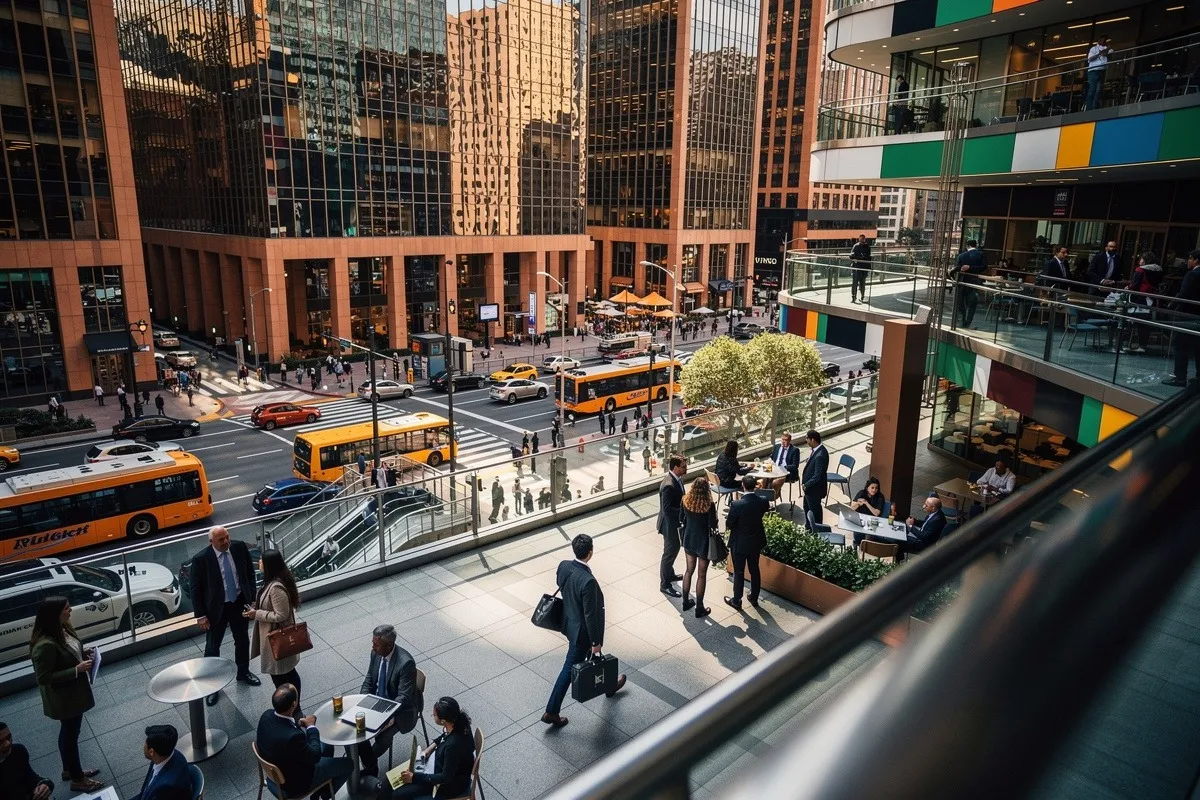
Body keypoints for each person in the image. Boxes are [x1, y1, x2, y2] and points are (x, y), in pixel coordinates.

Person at [542, 534, 626, 727]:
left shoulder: (564, 566)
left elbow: (560, 584)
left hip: (570, 624)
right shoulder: (587, 581)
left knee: (593, 660)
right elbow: (590, 615)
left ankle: (610, 685)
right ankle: (551, 711)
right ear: (590, 552)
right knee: (569, 668)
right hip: (582, 633)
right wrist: (596, 643)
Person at [29, 597, 103, 792]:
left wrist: (81, 653)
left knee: (69, 733)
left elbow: (68, 651)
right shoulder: (45, 645)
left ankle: (69, 769)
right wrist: (76, 670)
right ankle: (78, 779)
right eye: (66, 609)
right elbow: (43, 677)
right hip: (65, 699)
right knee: (70, 735)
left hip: (72, 694)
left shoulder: (64, 628)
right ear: (55, 614)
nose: (70, 611)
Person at [189, 526, 261, 707]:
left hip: (238, 603)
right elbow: (195, 589)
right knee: (213, 646)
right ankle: (212, 686)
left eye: (227, 537)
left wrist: (251, 598)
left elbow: (249, 575)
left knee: (243, 640)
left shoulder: (239, 547)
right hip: (216, 608)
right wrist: (201, 616)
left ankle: (243, 672)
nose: (226, 542)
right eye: (221, 540)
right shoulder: (201, 559)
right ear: (211, 541)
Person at [256, 684, 352, 798]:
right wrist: (311, 727)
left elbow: (282, 730)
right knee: (349, 764)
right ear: (294, 704)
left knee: (327, 747)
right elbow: (315, 756)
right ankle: (325, 795)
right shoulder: (293, 738)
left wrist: (297, 724)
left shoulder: (266, 715)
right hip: (296, 784)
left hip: (275, 773)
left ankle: (324, 786)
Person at [358, 624, 418, 779]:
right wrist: (362, 699)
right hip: (378, 701)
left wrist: (385, 714)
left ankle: (369, 765)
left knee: (383, 736)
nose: (373, 647)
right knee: (357, 729)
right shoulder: (375, 654)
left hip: (400, 710)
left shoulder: (406, 663)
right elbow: (369, 678)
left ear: (389, 645)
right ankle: (370, 764)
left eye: (376, 645)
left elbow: (403, 697)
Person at [244, 550, 304, 701]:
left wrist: (256, 613)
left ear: (269, 565)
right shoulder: (274, 582)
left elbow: (281, 615)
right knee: (285, 674)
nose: (259, 563)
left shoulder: (276, 587)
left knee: (283, 676)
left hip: (276, 639)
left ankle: (292, 705)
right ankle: (292, 705)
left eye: (262, 561)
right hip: (273, 637)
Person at [393, 698, 475, 799]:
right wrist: (429, 749)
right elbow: (444, 736)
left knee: (399, 795)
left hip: (449, 786)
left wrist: (414, 777)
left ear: (443, 721)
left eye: (434, 715)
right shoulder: (460, 724)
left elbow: (445, 777)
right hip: (451, 770)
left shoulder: (452, 745)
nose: (433, 716)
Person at [724, 476, 770, 611]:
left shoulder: (737, 504)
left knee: (739, 571)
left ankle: (737, 600)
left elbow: (729, 524)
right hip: (755, 542)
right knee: (754, 569)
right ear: (755, 486)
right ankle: (754, 597)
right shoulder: (763, 502)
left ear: (743, 486)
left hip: (740, 543)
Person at [679, 478, 717, 618]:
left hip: (689, 540)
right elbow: (713, 525)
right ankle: (699, 607)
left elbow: (681, 518)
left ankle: (685, 602)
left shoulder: (685, 500)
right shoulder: (709, 505)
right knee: (701, 575)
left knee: (689, 571)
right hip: (704, 543)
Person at [1165, 249, 1200, 387]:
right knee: (1198, 347)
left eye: (1190, 259)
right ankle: (1198, 377)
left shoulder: (1192, 275)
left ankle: (1180, 378)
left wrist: (1170, 306)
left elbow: (1183, 294)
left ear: (1196, 260)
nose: (1188, 261)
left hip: (1186, 314)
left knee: (1180, 346)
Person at [131, 724, 190, 800]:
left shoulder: (164, 786)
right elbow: (143, 793)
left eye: (145, 744)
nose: (143, 746)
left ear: (152, 751)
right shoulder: (172, 754)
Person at [657, 455, 687, 597]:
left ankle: (671, 574)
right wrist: (685, 510)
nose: (685, 468)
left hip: (672, 525)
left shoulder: (678, 479)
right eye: (683, 466)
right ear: (675, 468)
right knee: (669, 553)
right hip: (670, 526)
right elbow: (667, 509)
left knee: (672, 551)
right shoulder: (669, 485)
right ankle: (665, 584)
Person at [0, 722, 54, 800]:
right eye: (0, 741)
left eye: (9, 737)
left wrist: (45, 784)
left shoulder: (18, 752)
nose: (8, 743)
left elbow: (30, 778)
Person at [950, 240, 988, 327]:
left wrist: (952, 276)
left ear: (967, 246)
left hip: (961, 282)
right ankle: (968, 321)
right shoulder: (981, 255)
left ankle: (961, 322)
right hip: (974, 282)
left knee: (960, 303)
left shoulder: (962, 256)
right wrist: (971, 268)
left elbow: (958, 268)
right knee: (972, 303)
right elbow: (984, 267)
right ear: (976, 245)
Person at [801, 430, 829, 525]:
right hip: (810, 490)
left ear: (812, 440)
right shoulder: (817, 451)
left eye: (807, 439)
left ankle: (816, 531)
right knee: (807, 508)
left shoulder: (820, 455)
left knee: (814, 512)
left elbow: (817, 476)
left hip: (814, 490)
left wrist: (806, 485)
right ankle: (808, 528)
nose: (806, 441)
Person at [1085, 36, 1112, 110]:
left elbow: (1110, 56)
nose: (1104, 42)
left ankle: (1095, 107)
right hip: (1093, 71)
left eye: (1105, 40)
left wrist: (1107, 50)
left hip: (1102, 70)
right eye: (1103, 40)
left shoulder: (1108, 49)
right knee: (1093, 89)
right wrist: (1099, 54)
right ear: (1099, 41)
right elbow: (1090, 58)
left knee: (1099, 90)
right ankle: (1089, 108)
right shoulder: (1094, 49)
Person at [850, 235, 871, 304]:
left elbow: (868, 257)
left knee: (862, 283)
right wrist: (859, 257)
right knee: (856, 283)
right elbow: (851, 256)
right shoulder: (856, 246)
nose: (862, 240)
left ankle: (861, 296)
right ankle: (854, 297)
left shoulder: (867, 247)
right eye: (861, 239)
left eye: (863, 239)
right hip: (857, 267)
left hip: (863, 267)